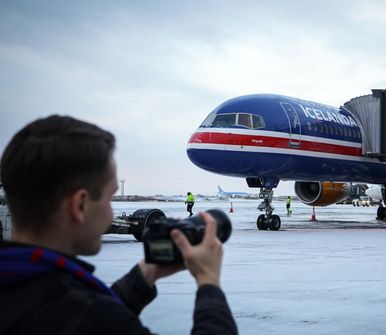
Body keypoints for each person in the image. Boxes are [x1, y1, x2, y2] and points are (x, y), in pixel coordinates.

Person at [0, 115, 237, 334]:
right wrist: (208, 281)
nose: (111, 212)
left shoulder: (18, 286)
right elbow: (89, 318)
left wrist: (145, 276)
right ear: (80, 205)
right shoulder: (93, 318)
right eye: (109, 197)